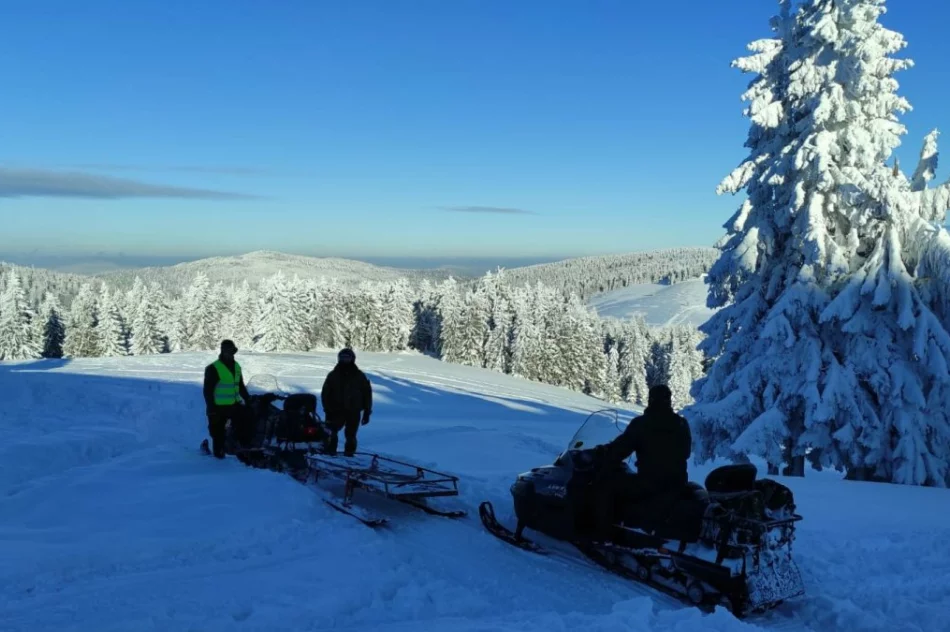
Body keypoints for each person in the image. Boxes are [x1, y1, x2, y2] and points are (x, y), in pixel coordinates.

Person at [591, 384, 692, 536]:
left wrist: (603, 452)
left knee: (605, 484)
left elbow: (621, 449)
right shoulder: (682, 424)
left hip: (649, 482)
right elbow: (686, 452)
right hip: (677, 482)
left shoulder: (642, 423)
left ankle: (601, 533)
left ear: (651, 400)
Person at [202, 339, 252, 458]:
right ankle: (218, 458)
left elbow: (240, 385)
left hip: (234, 405)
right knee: (218, 434)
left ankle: (241, 450)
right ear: (222, 351)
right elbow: (208, 390)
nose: (230, 353)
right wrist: (211, 408)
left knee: (246, 424)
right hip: (218, 407)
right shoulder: (213, 368)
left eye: (232, 351)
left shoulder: (237, 366)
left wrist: (248, 399)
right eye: (227, 351)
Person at [320, 348, 373, 456]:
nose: (345, 360)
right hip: (336, 410)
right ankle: (330, 452)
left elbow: (367, 394)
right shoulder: (333, 375)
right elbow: (325, 393)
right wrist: (327, 409)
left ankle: (349, 454)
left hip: (354, 410)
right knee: (331, 432)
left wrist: (367, 412)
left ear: (352, 359)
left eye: (347, 358)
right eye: (343, 358)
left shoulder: (359, 375)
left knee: (351, 435)